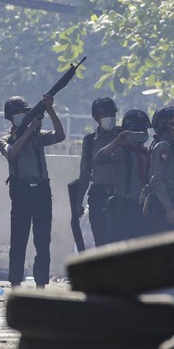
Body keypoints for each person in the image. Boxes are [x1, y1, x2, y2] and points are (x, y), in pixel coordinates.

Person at [0, 95, 65, 289]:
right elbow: (12, 152)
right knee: (18, 241)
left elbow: (60, 135)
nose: (20, 117)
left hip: (42, 191)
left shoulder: (39, 136)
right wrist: (29, 129)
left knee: (42, 241)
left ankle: (41, 284)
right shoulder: (6, 139)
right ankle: (15, 283)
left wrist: (50, 109)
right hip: (20, 192)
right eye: (16, 115)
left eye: (23, 114)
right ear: (10, 118)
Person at [94, 109, 151, 242]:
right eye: (139, 132)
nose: (143, 135)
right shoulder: (119, 152)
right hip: (124, 207)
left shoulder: (145, 152)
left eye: (144, 131)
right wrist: (117, 142)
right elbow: (98, 160)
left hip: (141, 207)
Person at [75, 97, 119, 247]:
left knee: (116, 239)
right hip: (98, 194)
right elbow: (85, 173)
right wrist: (78, 201)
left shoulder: (122, 137)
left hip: (119, 193)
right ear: (96, 118)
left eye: (111, 114)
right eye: (104, 115)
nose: (109, 118)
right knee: (100, 239)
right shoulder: (89, 141)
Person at [143, 105, 174, 234]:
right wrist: (169, 209)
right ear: (166, 124)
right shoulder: (163, 147)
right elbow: (156, 180)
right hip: (164, 206)